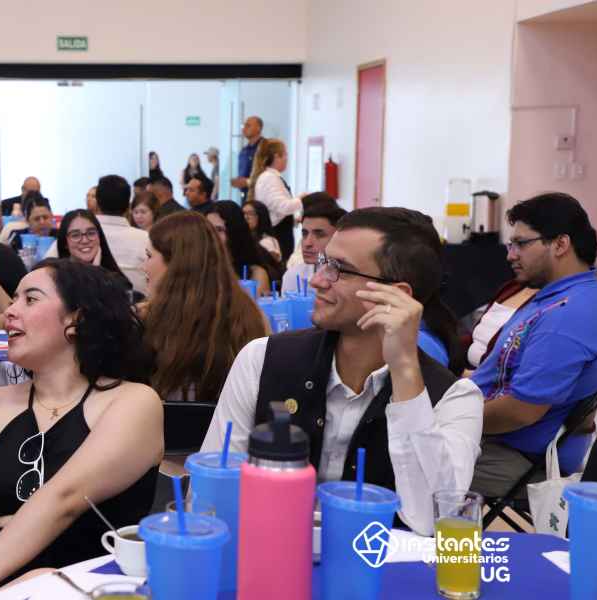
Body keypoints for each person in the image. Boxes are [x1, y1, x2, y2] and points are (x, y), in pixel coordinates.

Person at [201, 207, 484, 535]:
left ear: (395, 296)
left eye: (340, 269)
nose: (317, 280)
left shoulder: (454, 398)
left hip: (377, 562)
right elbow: (213, 492)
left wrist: (405, 369)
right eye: (324, 262)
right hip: (269, 551)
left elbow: (431, 520)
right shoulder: (262, 358)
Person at [0, 259, 162, 599]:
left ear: (76, 319)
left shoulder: (134, 402)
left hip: (89, 585)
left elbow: (64, 498)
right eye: (14, 299)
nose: (9, 312)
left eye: (30, 299)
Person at [470, 193, 597, 498]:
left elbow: (521, 411)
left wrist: (450, 419)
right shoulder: (559, 296)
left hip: (518, 459)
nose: (510, 255)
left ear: (560, 244)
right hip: (496, 440)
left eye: (520, 244)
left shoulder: (570, 314)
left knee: (396, 461)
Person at [141, 212, 269, 402]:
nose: (144, 266)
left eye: (149, 256)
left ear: (175, 263)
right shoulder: (250, 314)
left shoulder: (151, 320)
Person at [82, 175, 148, 295]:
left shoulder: (76, 237)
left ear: (97, 203)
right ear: (128, 206)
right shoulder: (146, 239)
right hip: (138, 305)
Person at [207, 200, 282, 294]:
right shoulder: (202, 267)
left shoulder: (255, 275)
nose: (211, 235)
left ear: (234, 232)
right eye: (208, 229)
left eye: (219, 229)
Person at [464, 280, 536, 371]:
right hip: (467, 368)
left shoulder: (546, 305)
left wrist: (470, 375)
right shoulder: (512, 286)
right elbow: (479, 334)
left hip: (486, 376)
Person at [281, 194, 346, 293]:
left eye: (319, 235)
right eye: (304, 234)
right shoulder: (293, 276)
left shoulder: (354, 281)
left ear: (339, 237)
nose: (307, 243)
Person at [252, 138, 304, 263]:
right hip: (277, 236)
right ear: (276, 156)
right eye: (285, 154)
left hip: (280, 232)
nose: (287, 159)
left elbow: (275, 210)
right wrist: (302, 199)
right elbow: (282, 207)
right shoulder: (269, 178)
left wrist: (294, 220)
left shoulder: (272, 177)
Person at [230, 116, 264, 200]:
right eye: (243, 125)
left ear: (258, 128)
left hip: (260, 195)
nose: (244, 128)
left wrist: (248, 182)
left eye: (248, 125)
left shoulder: (264, 147)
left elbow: (267, 173)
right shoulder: (244, 150)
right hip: (245, 195)